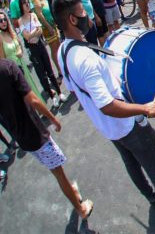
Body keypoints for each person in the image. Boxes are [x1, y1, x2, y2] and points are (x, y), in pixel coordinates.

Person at [52, 0, 155, 218]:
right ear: (72, 20)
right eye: (83, 11)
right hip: (126, 124)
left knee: (131, 162)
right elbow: (106, 104)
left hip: (108, 128)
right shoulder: (85, 59)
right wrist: (144, 108)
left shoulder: (64, 50)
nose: (88, 15)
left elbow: (81, 90)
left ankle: (151, 196)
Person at [0, 58, 94, 220]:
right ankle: (80, 209)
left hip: (21, 136)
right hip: (35, 133)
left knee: (56, 169)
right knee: (58, 172)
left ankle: (72, 190)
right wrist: (53, 119)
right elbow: (33, 100)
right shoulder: (7, 67)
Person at [18, 0, 65, 106]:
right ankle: (52, 96)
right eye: (25, 4)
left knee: (49, 69)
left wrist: (32, 35)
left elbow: (39, 31)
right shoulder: (20, 21)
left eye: (28, 3)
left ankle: (60, 92)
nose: (27, 5)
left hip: (39, 44)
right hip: (32, 49)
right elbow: (26, 36)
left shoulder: (33, 15)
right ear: (21, 6)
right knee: (41, 74)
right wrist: (33, 34)